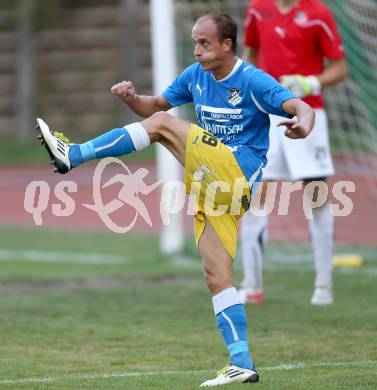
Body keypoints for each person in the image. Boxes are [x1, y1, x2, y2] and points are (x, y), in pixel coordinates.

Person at [36, 11, 314, 387]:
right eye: (195, 43)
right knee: (216, 277)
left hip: (235, 174)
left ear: (227, 44)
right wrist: (133, 98)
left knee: (165, 128)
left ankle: (75, 154)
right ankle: (241, 362)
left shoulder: (252, 80)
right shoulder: (195, 76)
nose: (196, 50)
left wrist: (302, 125)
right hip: (213, 186)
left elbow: (301, 106)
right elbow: (155, 108)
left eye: (204, 43)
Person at [239, 0, 347, 306]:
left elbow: (340, 67)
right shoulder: (258, 9)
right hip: (267, 118)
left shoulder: (318, 14)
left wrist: (309, 82)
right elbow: (251, 55)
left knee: (316, 196)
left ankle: (323, 286)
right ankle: (252, 285)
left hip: (308, 115)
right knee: (256, 193)